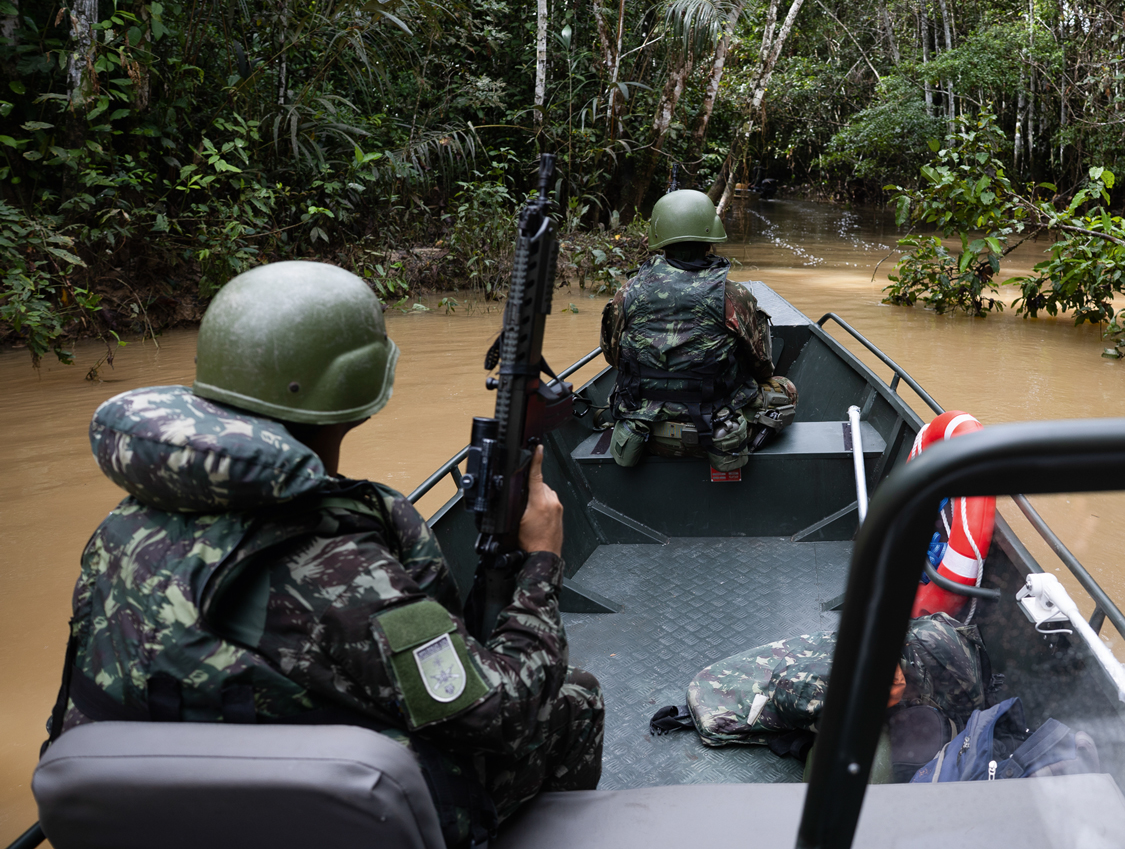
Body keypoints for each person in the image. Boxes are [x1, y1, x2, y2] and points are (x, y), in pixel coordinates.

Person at [49, 261, 602, 848]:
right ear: (362, 391)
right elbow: (501, 713)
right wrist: (541, 561)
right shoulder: (340, 562)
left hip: (150, 814)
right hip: (310, 821)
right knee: (575, 697)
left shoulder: (125, 522)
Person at [600, 189, 796, 471]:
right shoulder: (733, 295)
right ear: (709, 241)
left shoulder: (627, 293)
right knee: (786, 389)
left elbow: (614, 358)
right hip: (716, 433)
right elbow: (762, 367)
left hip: (646, 435)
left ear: (659, 241)